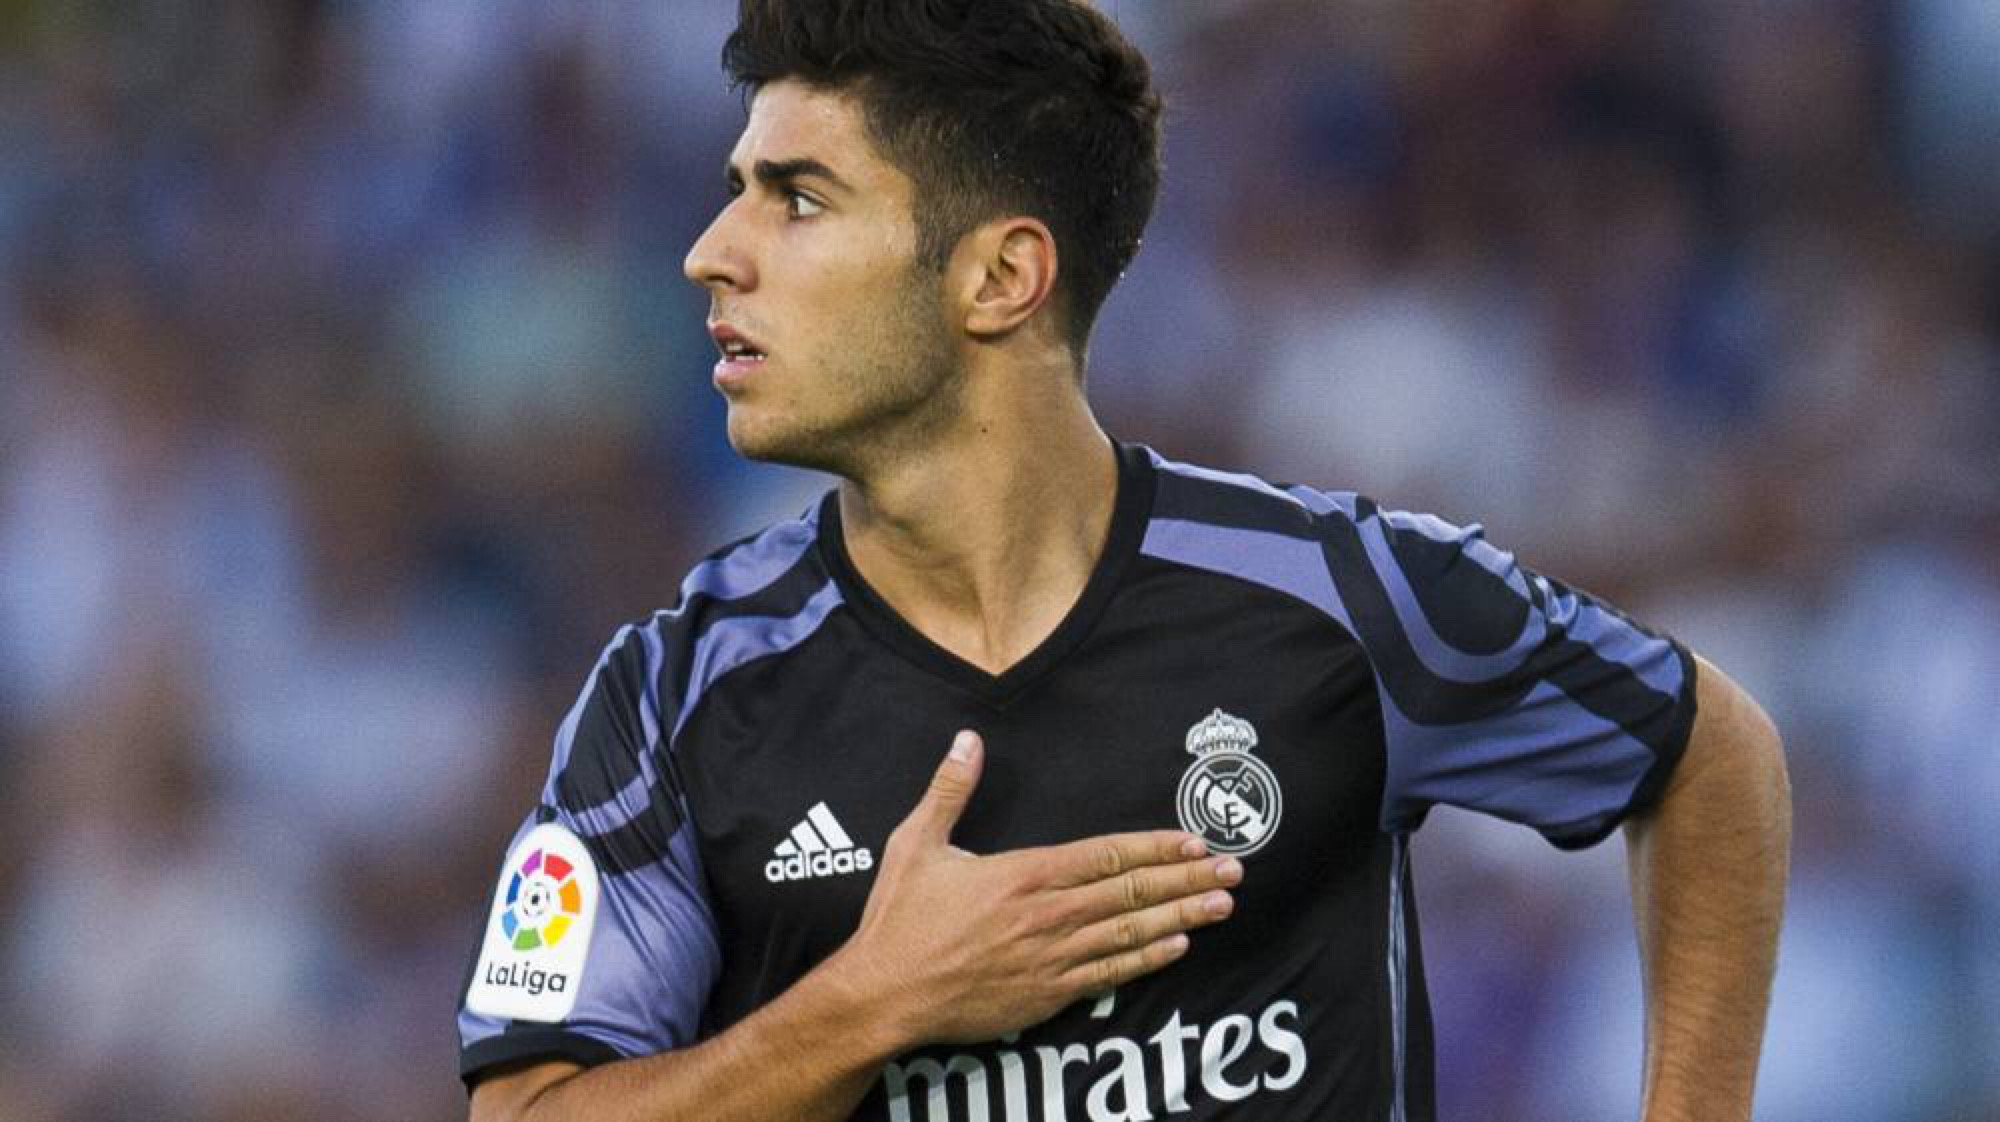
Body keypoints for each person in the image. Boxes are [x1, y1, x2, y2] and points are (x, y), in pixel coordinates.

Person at [457, 3, 1791, 1119]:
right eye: (735, 192)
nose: (712, 254)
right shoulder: (674, 695)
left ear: (1000, 278)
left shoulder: (1337, 599)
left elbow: (1707, 752)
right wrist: (873, 1002)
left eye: (798, 200)